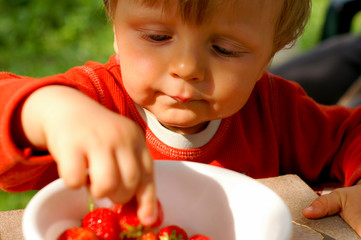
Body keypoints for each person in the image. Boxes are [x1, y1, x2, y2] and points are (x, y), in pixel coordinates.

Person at [1, 0, 361, 236]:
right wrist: (49, 111)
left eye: (225, 49)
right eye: (157, 36)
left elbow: (350, 132)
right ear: (115, 27)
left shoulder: (275, 109)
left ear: (267, 56)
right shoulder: (94, 102)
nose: (187, 68)